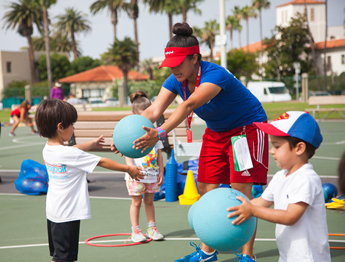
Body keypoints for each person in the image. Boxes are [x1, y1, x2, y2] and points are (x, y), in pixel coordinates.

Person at [130, 22, 268, 262]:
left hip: (246, 131)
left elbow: (189, 105)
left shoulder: (215, 74)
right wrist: (124, 135)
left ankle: (248, 256)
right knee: (206, 188)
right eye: (169, 65)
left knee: (241, 192)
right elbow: (152, 112)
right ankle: (207, 253)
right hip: (217, 131)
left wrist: (160, 133)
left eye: (178, 63)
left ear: (195, 58)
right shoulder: (175, 79)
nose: (173, 69)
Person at [35, 99, 144, 262]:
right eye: (72, 124)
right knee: (63, 258)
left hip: (54, 212)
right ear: (60, 127)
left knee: (60, 256)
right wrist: (129, 169)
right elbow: (101, 161)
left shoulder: (48, 149)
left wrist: (91, 144)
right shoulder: (68, 154)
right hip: (67, 214)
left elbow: (70, 150)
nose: (73, 127)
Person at [228, 111, 331, 262]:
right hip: (287, 255)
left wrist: (252, 210)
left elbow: (291, 216)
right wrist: (228, 205)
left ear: (299, 148)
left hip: (309, 257)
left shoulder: (306, 179)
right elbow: (260, 202)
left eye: (276, 146)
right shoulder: (280, 176)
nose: (271, 151)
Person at [125, 91, 165, 243]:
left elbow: (159, 153)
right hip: (136, 175)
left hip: (152, 175)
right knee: (136, 202)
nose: (146, 122)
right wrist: (130, 167)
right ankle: (136, 231)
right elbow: (128, 151)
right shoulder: (131, 134)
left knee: (149, 201)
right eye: (142, 118)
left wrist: (161, 170)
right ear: (133, 115)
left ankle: (152, 228)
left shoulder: (154, 133)